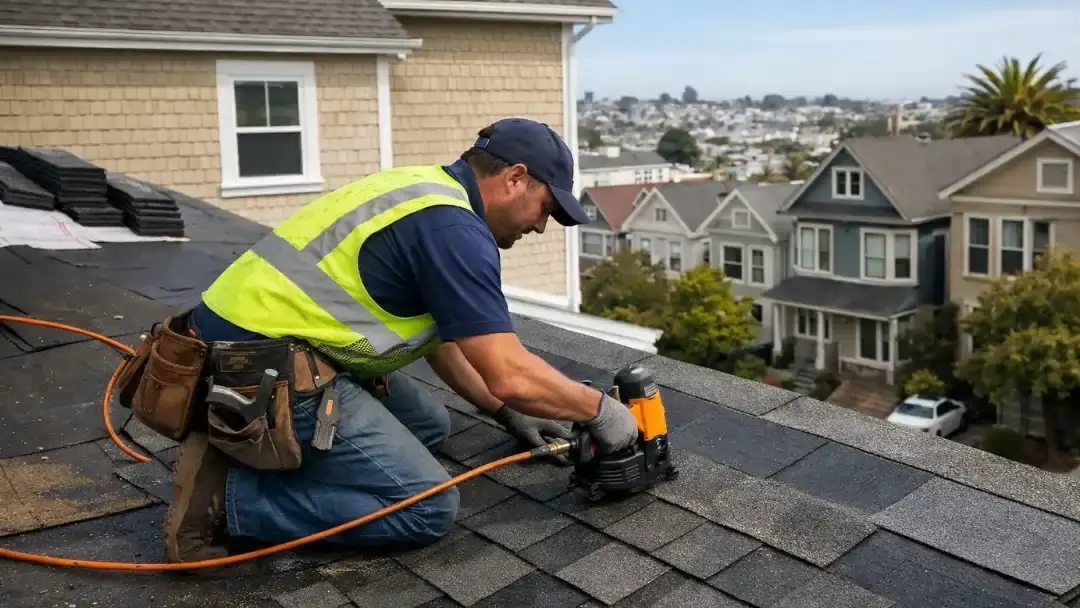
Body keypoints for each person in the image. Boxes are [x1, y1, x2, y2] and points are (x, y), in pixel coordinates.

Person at [163, 117, 640, 564]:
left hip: (238, 347)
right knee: (427, 508)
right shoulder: (454, 230)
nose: (539, 226)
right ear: (515, 178)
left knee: (429, 425)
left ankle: (259, 453)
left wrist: (505, 410)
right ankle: (229, 501)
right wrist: (600, 411)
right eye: (545, 209)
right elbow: (508, 372)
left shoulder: (425, 189)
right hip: (257, 369)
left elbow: (442, 340)